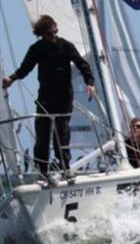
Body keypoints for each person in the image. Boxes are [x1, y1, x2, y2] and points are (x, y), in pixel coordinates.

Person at [2, 15, 95, 175]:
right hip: (45, 98)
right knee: (42, 135)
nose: (53, 36)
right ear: (42, 34)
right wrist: (11, 79)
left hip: (64, 98)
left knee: (62, 133)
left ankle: (65, 166)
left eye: (55, 32)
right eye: (50, 34)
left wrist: (90, 83)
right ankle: (42, 169)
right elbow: (25, 68)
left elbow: (82, 64)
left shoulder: (66, 46)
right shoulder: (37, 49)